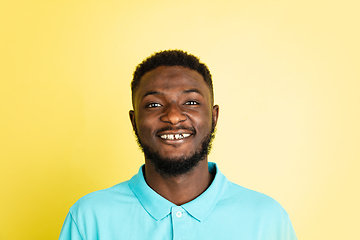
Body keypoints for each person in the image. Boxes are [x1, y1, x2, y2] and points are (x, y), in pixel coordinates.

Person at [59, 50, 297, 240]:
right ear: (134, 121)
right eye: (153, 105)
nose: (173, 116)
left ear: (214, 117)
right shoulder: (88, 219)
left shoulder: (267, 219)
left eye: (191, 102)